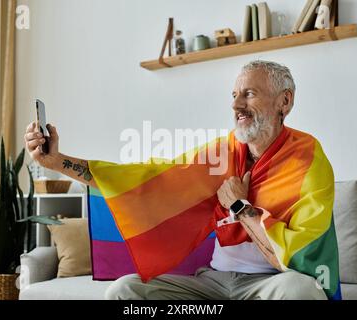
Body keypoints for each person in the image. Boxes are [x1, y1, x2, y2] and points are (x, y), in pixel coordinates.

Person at [25, 60, 337, 300]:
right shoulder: (220, 154)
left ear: (285, 102)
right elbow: (145, 181)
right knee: (125, 291)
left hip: (271, 284)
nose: (236, 105)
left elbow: (298, 256)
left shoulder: (309, 159)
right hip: (213, 286)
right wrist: (58, 162)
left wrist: (240, 207)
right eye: (234, 95)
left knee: (300, 291)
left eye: (249, 94)